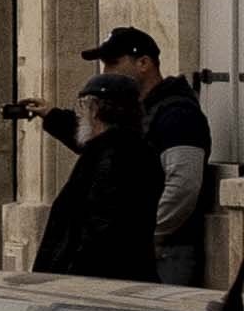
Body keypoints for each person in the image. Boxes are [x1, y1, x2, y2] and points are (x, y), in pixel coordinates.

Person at [31, 29, 219, 279]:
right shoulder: (138, 119)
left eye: (113, 63)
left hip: (167, 251)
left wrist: (139, 236)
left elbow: (182, 187)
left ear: (143, 63)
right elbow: (102, 144)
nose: (106, 72)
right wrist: (53, 116)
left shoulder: (178, 114)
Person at [39, 73, 174, 287]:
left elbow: (98, 228)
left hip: (96, 282)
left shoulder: (111, 155)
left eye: (83, 104)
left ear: (96, 109)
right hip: (123, 276)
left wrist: (66, 280)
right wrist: (51, 115)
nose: (81, 113)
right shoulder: (134, 148)